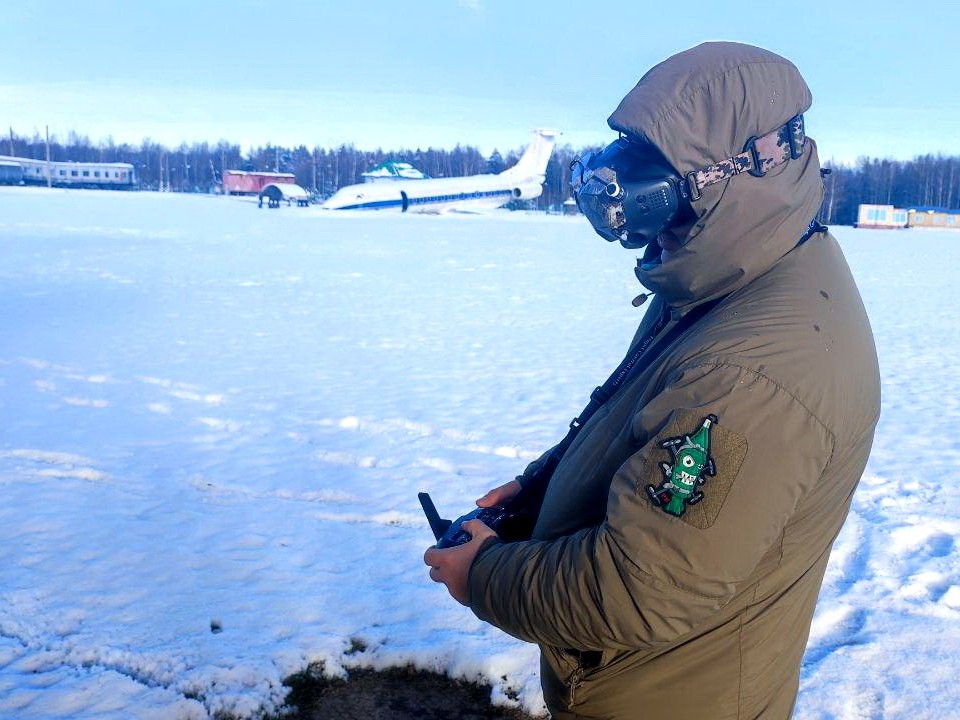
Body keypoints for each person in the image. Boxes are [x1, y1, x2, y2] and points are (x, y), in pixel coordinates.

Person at [424, 41, 880, 719]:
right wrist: (539, 489)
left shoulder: (752, 376)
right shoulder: (730, 270)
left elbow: (641, 589)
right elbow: (641, 412)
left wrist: (483, 577)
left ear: (739, 175)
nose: (647, 238)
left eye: (660, 205)